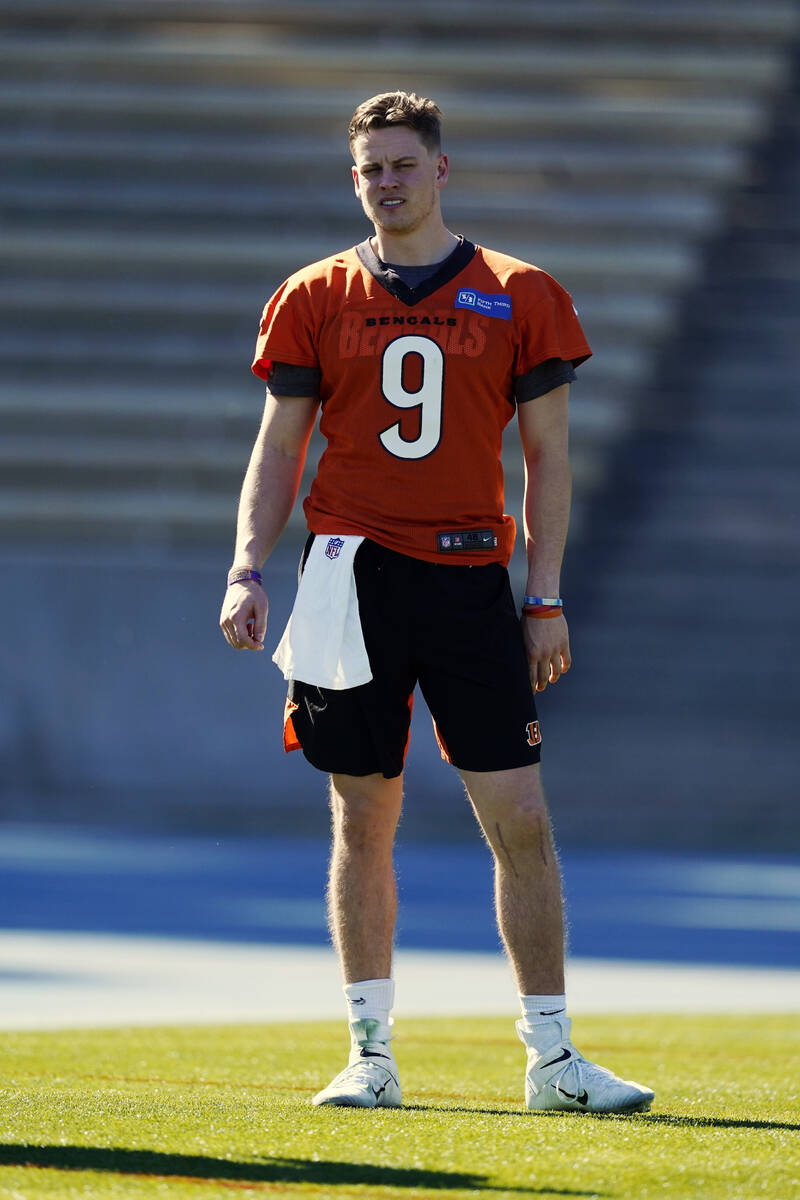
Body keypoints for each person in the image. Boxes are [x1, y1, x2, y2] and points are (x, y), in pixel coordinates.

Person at [219, 91, 653, 1114]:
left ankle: (551, 1060)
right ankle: (368, 1052)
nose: (386, 183)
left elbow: (546, 457)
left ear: (441, 170)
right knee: (360, 814)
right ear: (353, 178)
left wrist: (542, 595)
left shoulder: (519, 291)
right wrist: (246, 565)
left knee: (520, 817)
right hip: (348, 575)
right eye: (369, 168)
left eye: (402, 164)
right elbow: (280, 443)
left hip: (467, 577)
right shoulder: (314, 293)